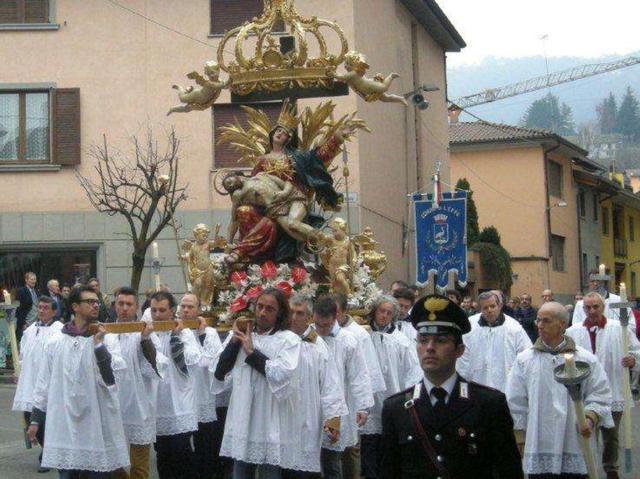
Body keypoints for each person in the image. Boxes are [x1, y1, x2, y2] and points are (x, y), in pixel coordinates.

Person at [380, 294, 524, 478]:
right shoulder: (396, 408)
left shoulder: (488, 404)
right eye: (423, 340)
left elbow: (508, 470)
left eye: (440, 340)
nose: (430, 347)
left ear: (459, 350)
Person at [28, 285, 129, 477]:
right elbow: (43, 383)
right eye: (89, 302)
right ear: (75, 306)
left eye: (96, 302)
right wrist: (35, 419)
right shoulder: (56, 341)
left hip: (97, 424)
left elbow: (113, 379)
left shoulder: (107, 338)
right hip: (65, 425)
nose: (95, 305)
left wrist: (99, 346)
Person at [507, 301, 613, 479]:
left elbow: (600, 393)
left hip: (575, 439)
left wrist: (589, 417)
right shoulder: (525, 360)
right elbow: (515, 400)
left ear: (562, 324)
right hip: (539, 441)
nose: (540, 325)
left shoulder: (585, 359)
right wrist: (520, 435)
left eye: (546, 321)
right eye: (538, 320)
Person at [213, 288, 301, 478]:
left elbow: (281, 374)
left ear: (280, 313)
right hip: (242, 419)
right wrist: (235, 342)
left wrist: (252, 352)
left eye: (269, 309)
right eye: (259, 306)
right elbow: (220, 372)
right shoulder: (240, 334)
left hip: (269, 420)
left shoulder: (288, 340)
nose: (262, 312)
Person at [566, 292, 640, 479]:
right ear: (583, 309)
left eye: (595, 306)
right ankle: (588, 469)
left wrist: (633, 360)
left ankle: (611, 469)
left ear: (603, 307)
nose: (592, 311)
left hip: (614, 389)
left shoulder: (619, 329)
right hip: (584, 393)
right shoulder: (573, 332)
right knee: (586, 434)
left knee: (611, 435)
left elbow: (637, 350)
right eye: (588, 307)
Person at [285, 294, 348, 478]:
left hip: (307, 418)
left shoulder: (317, 345)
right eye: (291, 312)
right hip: (281, 418)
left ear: (310, 317)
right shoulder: (279, 339)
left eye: (300, 313)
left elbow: (330, 384)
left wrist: (333, 420)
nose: (294, 318)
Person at [360, 296, 422, 479]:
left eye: (389, 313)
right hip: (369, 401)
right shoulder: (364, 336)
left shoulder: (401, 340)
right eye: (381, 311)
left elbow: (412, 370)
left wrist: (407, 395)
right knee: (369, 447)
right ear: (374, 311)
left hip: (393, 396)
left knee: (388, 448)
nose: (384, 316)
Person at [314, 294, 374, 479]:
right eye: (318, 324)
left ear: (335, 318)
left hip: (339, 407)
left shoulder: (348, 340)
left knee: (332, 460)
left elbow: (359, 374)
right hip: (312, 406)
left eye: (326, 325)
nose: (321, 330)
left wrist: (363, 406)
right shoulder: (308, 336)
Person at [112, 287, 168, 479]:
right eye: (121, 304)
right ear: (115, 306)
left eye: (129, 304)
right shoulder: (108, 333)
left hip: (139, 407)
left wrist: (145, 340)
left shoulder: (144, 332)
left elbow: (157, 367)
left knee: (140, 468)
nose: (124, 308)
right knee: (112, 464)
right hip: (113, 407)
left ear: (136, 307)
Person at [152, 291, 202, 479]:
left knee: (182, 456)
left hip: (180, 404)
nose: (157, 315)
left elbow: (192, 360)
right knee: (163, 458)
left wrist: (176, 338)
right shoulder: (150, 332)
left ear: (172, 310)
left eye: (162, 310)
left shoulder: (185, 332)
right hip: (158, 406)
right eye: (154, 310)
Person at [334, 292, 385, 478]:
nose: (332, 317)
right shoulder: (322, 330)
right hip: (331, 399)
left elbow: (368, 370)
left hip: (351, 399)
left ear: (344, 311)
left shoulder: (358, 334)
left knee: (351, 448)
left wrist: (364, 405)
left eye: (336, 312)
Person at [12, 296, 63, 473]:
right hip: (29, 381)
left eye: (46, 308)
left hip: (48, 382)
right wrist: (17, 370)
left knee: (44, 420)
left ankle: (47, 455)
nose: (41, 311)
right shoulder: (30, 330)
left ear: (54, 311)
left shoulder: (59, 331)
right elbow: (23, 354)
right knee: (29, 417)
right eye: (40, 307)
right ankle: (46, 449)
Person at [180, 293, 223, 479]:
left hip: (203, 394)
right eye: (183, 306)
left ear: (198, 309)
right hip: (182, 397)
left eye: (190, 307)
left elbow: (212, 360)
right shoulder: (176, 330)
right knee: (181, 448)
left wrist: (202, 334)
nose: (186, 310)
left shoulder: (211, 333)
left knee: (205, 446)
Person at [458, 291, 532, 392]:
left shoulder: (514, 328)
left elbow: (526, 357)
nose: (489, 310)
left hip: (506, 389)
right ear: (480, 309)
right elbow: (462, 359)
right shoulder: (470, 326)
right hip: (476, 387)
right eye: (485, 307)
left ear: (500, 305)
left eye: (493, 306)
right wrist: (463, 386)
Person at [15, 271, 39, 343]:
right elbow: (19, 309)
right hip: (26, 324)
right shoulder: (21, 291)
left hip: (36, 323)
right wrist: (23, 323)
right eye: (32, 279)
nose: (34, 281)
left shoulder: (37, 291)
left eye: (35, 279)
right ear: (26, 280)